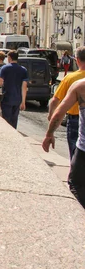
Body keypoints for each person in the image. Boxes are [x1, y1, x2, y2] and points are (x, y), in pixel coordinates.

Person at [43, 79, 85, 208]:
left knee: (77, 187)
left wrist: (49, 134)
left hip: (83, 151)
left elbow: (59, 112)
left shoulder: (80, 85)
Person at [48, 46, 85, 160]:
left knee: (75, 156)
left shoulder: (70, 78)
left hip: (75, 120)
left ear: (77, 60)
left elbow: (55, 100)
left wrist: (50, 117)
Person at [0, 50, 28, 129]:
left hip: (7, 97)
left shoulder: (5, 68)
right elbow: (24, 87)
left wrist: (4, 84)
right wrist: (23, 102)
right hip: (17, 99)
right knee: (14, 121)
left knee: (6, 120)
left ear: (9, 58)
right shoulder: (23, 70)